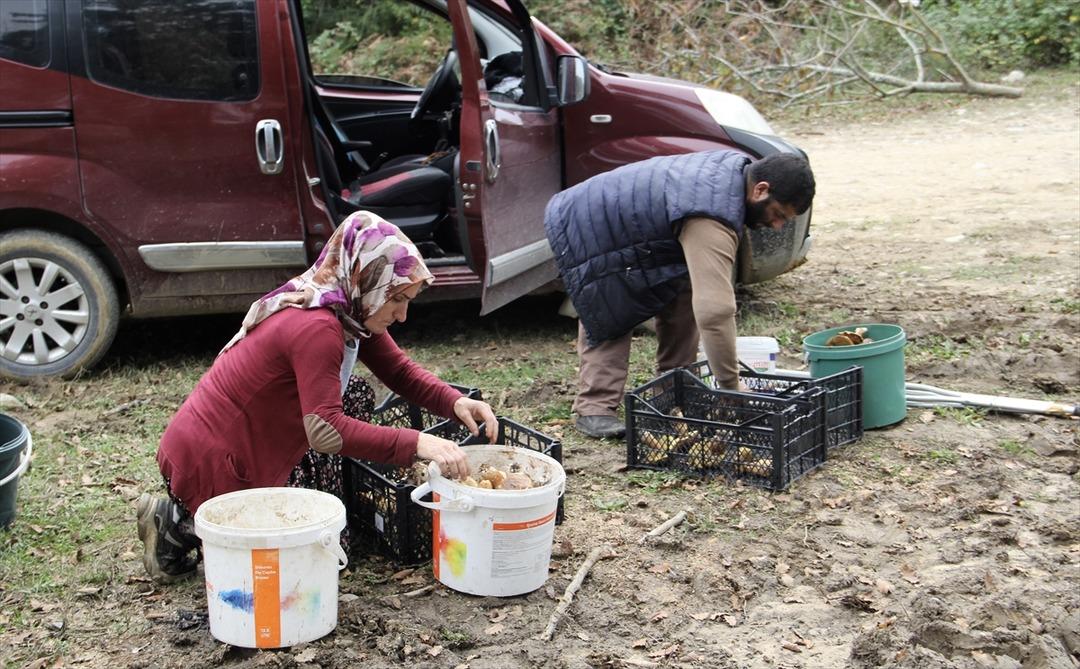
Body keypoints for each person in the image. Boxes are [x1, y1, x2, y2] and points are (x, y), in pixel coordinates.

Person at [136, 211, 497, 583]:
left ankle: (199, 519)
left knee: (353, 394)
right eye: (397, 299)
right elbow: (326, 431)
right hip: (215, 459)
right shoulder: (319, 326)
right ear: (366, 277)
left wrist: (454, 402)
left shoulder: (347, 307)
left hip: (251, 438)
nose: (403, 315)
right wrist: (419, 442)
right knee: (285, 569)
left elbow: (398, 370)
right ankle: (177, 524)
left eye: (409, 300)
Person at [544, 150, 815, 438]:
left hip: (640, 223)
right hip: (592, 221)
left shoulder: (734, 180)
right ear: (761, 190)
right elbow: (716, 312)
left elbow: (705, 296)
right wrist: (731, 386)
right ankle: (595, 407)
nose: (777, 226)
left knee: (686, 284)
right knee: (611, 301)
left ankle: (676, 389)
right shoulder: (712, 213)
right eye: (778, 215)